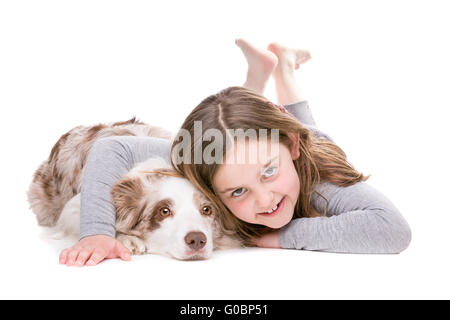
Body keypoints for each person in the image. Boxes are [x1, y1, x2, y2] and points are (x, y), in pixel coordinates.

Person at [59, 39, 411, 266]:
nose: (266, 201)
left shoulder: (324, 185)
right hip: (266, 144)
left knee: (305, 123)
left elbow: (393, 230)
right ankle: (257, 76)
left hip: (311, 149)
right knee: (235, 131)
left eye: (269, 173)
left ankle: (284, 67)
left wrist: (277, 236)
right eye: (238, 192)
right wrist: (97, 231)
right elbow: (112, 148)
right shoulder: (206, 158)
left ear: (291, 147)